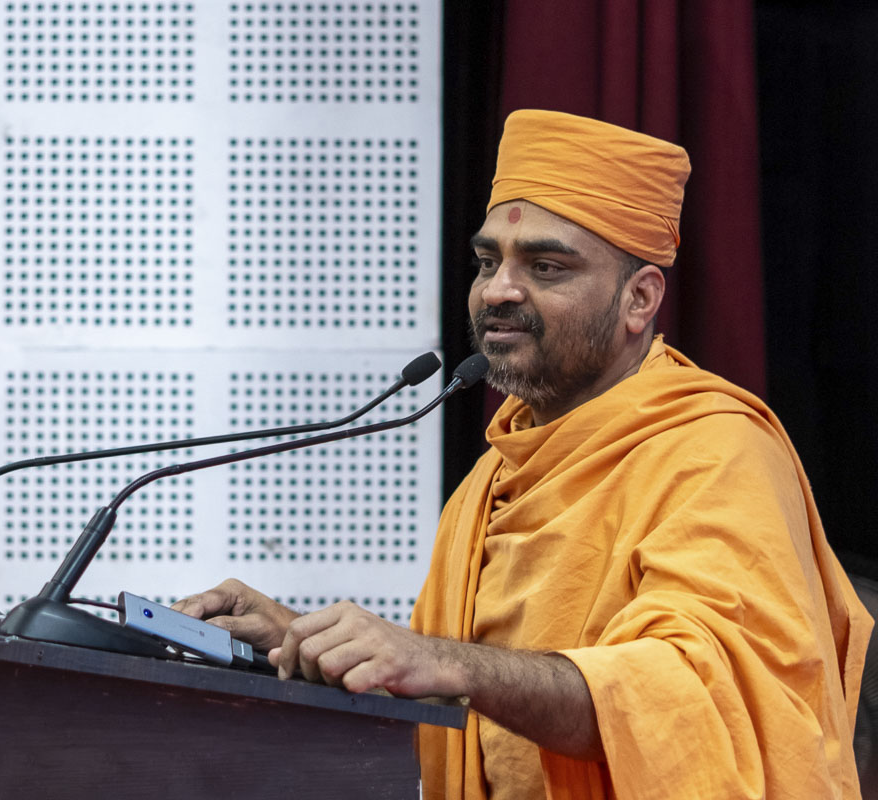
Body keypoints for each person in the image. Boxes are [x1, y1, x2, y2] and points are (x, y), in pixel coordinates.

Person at [173, 109, 872, 799]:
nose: (499, 291)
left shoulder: (714, 452)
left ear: (639, 299)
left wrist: (441, 661)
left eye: (546, 266)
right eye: (488, 262)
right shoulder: (492, 477)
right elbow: (474, 709)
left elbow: (687, 699)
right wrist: (299, 641)